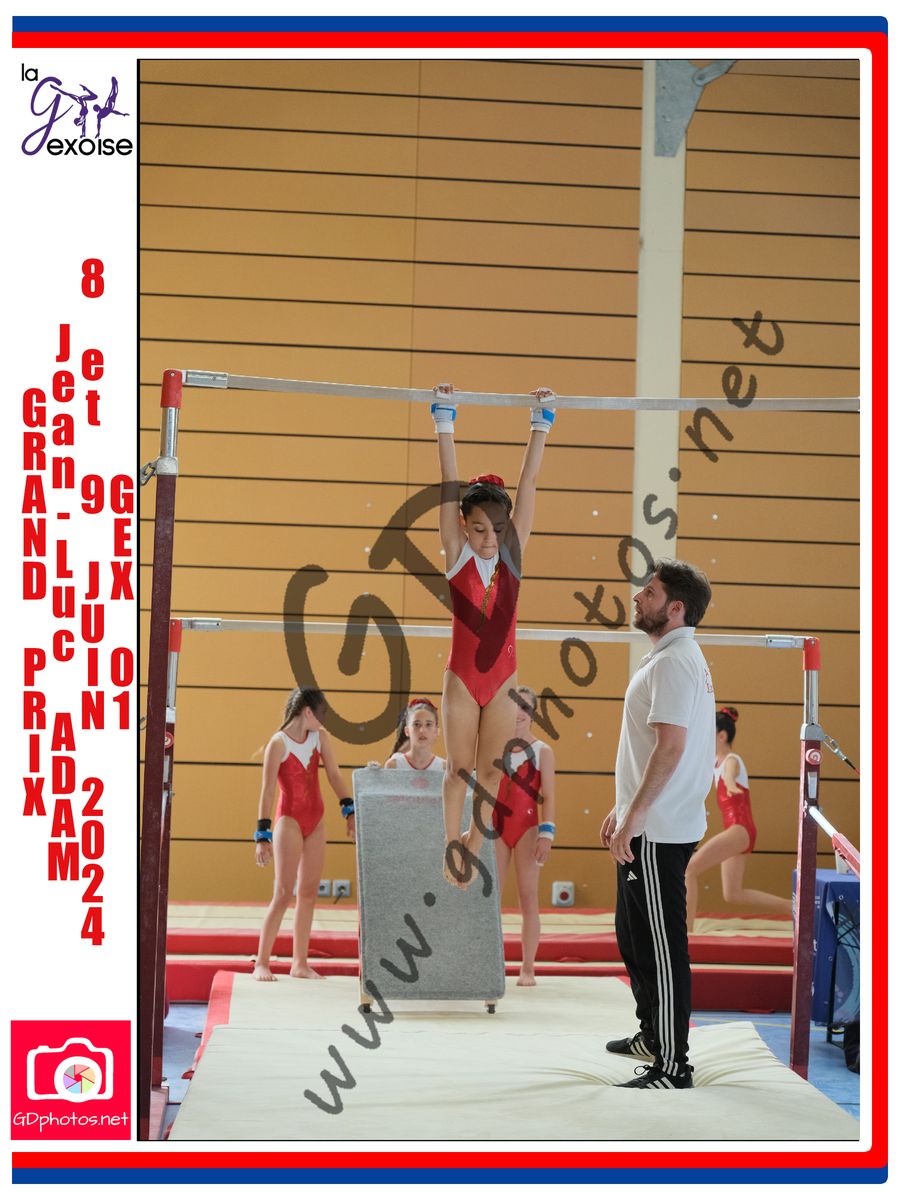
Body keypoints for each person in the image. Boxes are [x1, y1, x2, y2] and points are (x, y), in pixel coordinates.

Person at [431, 382, 555, 888]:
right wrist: (444, 419)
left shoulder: (512, 556)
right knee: (459, 770)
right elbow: (448, 482)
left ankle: (473, 844)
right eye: (479, 529)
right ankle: (449, 845)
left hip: (503, 679)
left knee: (491, 773)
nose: (487, 540)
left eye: (496, 531)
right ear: (464, 526)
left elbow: (529, 484)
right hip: (463, 679)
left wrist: (541, 422)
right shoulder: (456, 553)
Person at [600, 559, 715, 1089]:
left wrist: (637, 815)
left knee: (661, 947)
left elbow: (670, 749)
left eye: (649, 592)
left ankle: (672, 1063)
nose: (638, 597)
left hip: (659, 830)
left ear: (676, 608)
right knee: (633, 936)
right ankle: (652, 1033)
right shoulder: (670, 657)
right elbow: (652, 748)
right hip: (649, 822)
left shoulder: (675, 663)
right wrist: (624, 807)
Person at [252, 687, 355, 982]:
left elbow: (334, 775)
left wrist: (349, 811)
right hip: (290, 821)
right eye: (322, 713)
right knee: (284, 893)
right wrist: (262, 836)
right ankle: (262, 962)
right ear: (308, 712)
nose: (325, 719)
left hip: (316, 820)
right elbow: (268, 791)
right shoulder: (278, 743)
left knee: (309, 893)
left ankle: (300, 963)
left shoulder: (320, 738)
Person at [685, 707, 792, 929]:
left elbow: (729, 773)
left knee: (689, 869)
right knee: (733, 893)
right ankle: (794, 908)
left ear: (721, 736)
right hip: (739, 830)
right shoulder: (713, 762)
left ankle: (686, 930)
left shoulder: (731, 760)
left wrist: (730, 783)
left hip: (739, 828)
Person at [494, 685, 557, 986]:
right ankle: (490, 963)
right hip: (494, 828)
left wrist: (547, 834)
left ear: (533, 714)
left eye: (525, 707)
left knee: (528, 897)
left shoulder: (542, 751)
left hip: (527, 828)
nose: (519, 713)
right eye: (514, 706)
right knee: (490, 899)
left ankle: (528, 967)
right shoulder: (493, 746)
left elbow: (550, 797)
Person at [384, 697, 447, 772]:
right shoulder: (394, 765)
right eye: (416, 724)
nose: (422, 730)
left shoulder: (445, 768)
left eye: (428, 724)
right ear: (407, 731)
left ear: (436, 731)